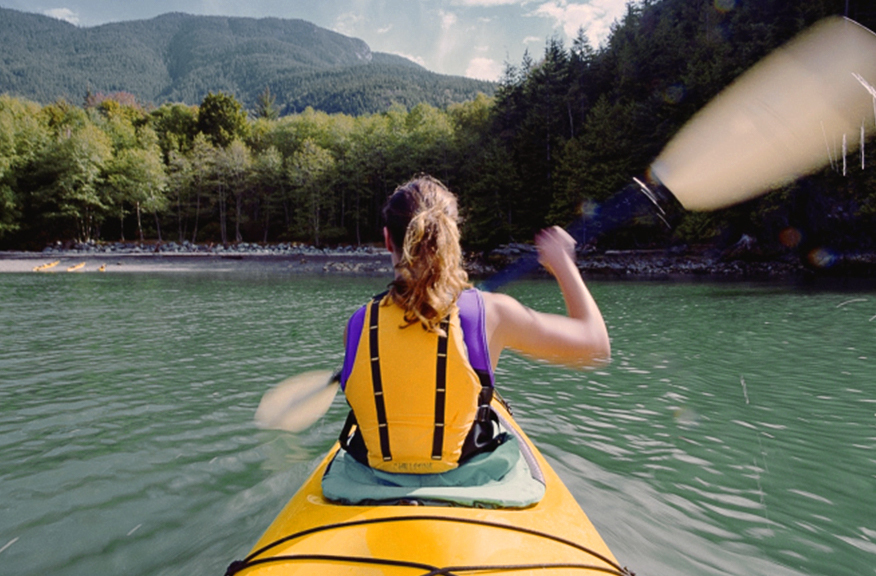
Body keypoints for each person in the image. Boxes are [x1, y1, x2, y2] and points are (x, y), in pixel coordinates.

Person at [337, 175, 610, 475]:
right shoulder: (493, 314)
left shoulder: (358, 325)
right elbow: (595, 346)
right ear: (452, 236)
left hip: (374, 479)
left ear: (388, 239)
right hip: (464, 476)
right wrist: (562, 264)